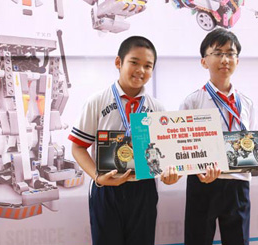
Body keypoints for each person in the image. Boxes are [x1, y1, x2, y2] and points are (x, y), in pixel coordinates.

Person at [69, 36, 180, 245]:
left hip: (144, 189)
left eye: (148, 66)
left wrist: (171, 175)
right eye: (134, 62)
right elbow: (78, 147)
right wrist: (97, 177)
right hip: (106, 188)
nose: (141, 70)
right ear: (118, 62)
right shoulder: (97, 101)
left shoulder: (157, 109)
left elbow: (165, 156)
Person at [179, 28, 258, 245]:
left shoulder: (247, 103)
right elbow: (182, 150)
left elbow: (253, 149)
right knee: (197, 240)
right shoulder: (192, 102)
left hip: (238, 184)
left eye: (230, 53)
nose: (225, 59)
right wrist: (198, 171)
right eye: (217, 53)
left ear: (237, 60)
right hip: (203, 183)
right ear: (204, 61)